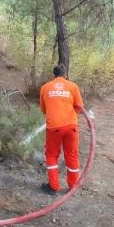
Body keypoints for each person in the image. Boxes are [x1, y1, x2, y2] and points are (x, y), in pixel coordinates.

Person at [39, 65, 84, 195]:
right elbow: (79, 107)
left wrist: (54, 116)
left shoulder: (45, 87)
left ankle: (53, 186)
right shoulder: (73, 86)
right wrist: (69, 117)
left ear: (53, 75)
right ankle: (73, 186)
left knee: (52, 155)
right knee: (72, 155)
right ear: (65, 75)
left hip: (54, 127)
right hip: (71, 126)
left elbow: (43, 108)